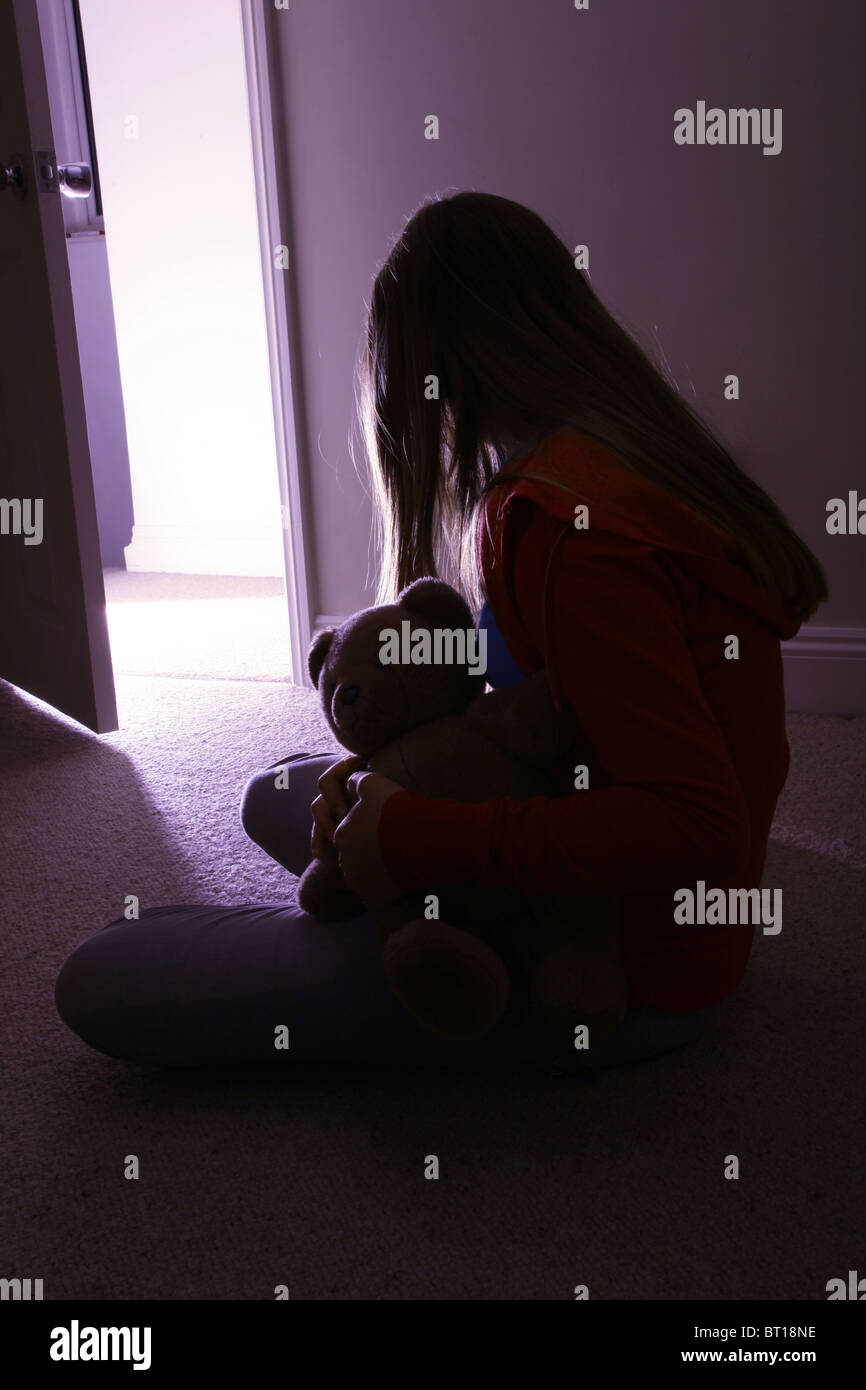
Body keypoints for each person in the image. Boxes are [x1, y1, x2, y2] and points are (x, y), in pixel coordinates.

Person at [55, 191, 827, 1071]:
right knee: (279, 791)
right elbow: (551, 715)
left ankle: (446, 959)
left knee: (101, 976)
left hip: (618, 967)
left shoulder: (566, 535)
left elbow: (698, 827)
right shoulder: (615, 458)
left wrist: (421, 835)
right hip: (667, 907)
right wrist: (396, 790)